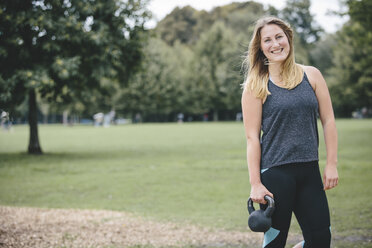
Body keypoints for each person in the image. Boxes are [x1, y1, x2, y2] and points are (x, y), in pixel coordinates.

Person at [241, 16, 338, 248]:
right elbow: (252, 138)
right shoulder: (256, 86)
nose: (275, 44)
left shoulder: (312, 75)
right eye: (267, 40)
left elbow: (328, 120)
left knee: (321, 240)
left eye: (279, 37)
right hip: (275, 175)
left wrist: (331, 163)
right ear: (261, 47)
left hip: (309, 171)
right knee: (275, 243)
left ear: (288, 39)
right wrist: (256, 183)